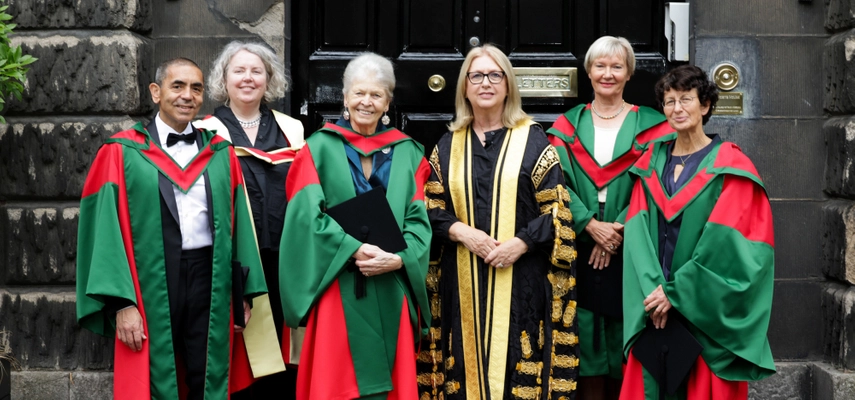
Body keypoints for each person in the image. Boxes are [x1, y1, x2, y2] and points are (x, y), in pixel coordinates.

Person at [76, 58, 266, 399]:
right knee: (155, 375)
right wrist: (122, 303)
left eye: (195, 88)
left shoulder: (220, 152)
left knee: (206, 371)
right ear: (155, 92)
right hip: (150, 282)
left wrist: (242, 294)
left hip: (211, 275)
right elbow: (103, 235)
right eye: (177, 86)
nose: (187, 96)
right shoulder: (121, 152)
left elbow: (240, 228)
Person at [418, 44, 578, 400]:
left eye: (495, 75)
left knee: (517, 365)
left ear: (508, 86)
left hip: (521, 278)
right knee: (462, 364)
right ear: (465, 87)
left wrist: (521, 243)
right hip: (461, 280)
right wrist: (463, 232)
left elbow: (557, 211)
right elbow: (429, 207)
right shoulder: (447, 145)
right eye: (477, 76)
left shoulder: (534, 140)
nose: (485, 83)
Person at [278, 52, 432, 399]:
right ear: (344, 98)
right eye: (359, 93)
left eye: (376, 94)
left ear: (388, 102)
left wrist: (399, 259)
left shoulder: (409, 153)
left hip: (391, 282)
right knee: (337, 382)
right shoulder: (317, 148)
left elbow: (418, 221)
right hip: (338, 284)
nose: (367, 101)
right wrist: (355, 248)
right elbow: (305, 218)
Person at [620, 65, 775, 399]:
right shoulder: (650, 164)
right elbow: (636, 237)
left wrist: (676, 293)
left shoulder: (730, 169)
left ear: (705, 105)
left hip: (703, 315)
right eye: (669, 101)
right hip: (654, 309)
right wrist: (654, 295)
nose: (677, 109)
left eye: (686, 99)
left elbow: (727, 248)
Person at [546, 36, 675, 399]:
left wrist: (616, 228)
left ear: (629, 73)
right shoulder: (567, 126)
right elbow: (555, 182)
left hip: (632, 238)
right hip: (579, 239)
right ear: (588, 71)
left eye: (616, 66)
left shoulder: (653, 126)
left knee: (624, 327)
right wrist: (590, 224)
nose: (608, 73)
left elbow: (654, 179)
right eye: (600, 66)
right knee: (585, 332)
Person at [194, 41, 304, 399]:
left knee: (288, 354)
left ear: (268, 79)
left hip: (287, 256)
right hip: (234, 258)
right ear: (223, 80)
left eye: (257, 71)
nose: (248, 78)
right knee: (240, 350)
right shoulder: (205, 131)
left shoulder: (292, 129)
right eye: (238, 70)